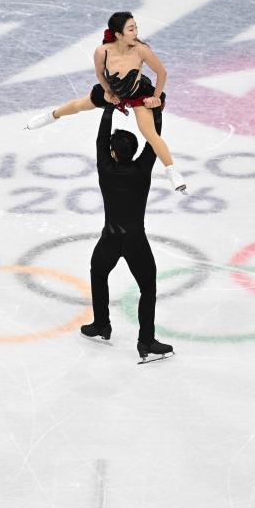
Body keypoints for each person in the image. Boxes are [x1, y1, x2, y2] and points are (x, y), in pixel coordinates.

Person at [24, 11, 188, 195]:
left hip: (137, 94)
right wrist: (108, 92)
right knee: (79, 105)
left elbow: (162, 73)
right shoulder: (102, 51)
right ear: (118, 34)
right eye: (131, 29)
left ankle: (171, 171)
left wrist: (155, 97)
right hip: (113, 92)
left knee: (149, 133)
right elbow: (100, 74)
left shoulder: (141, 50)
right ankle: (51, 116)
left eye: (135, 28)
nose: (136, 32)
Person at [79, 105, 174, 363]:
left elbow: (101, 140)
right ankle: (146, 341)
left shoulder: (105, 168)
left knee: (98, 274)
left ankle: (101, 323)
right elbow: (153, 139)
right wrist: (156, 110)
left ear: (112, 152)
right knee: (148, 288)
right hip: (135, 241)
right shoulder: (142, 169)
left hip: (110, 239)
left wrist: (108, 108)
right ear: (133, 151)